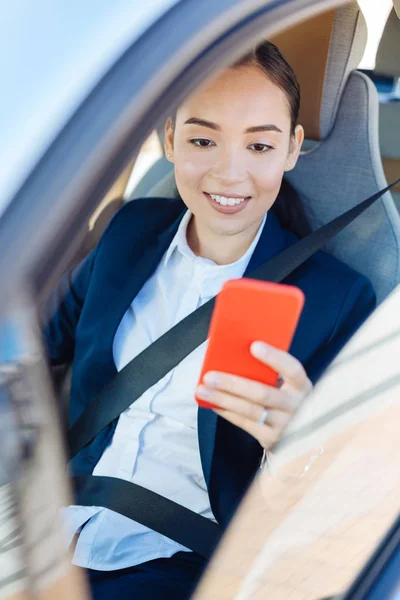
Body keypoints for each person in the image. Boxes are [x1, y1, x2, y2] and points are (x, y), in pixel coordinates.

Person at [43, 41, 376, 600]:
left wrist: (296, 442)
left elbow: (351, 491)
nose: (229, 173)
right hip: (49, 522)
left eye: (260, 145)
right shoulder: (130, 229)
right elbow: (33, 342)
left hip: (180, 560)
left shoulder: (336, 297)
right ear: (168, 138)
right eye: (202, 139)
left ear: (292, 148)